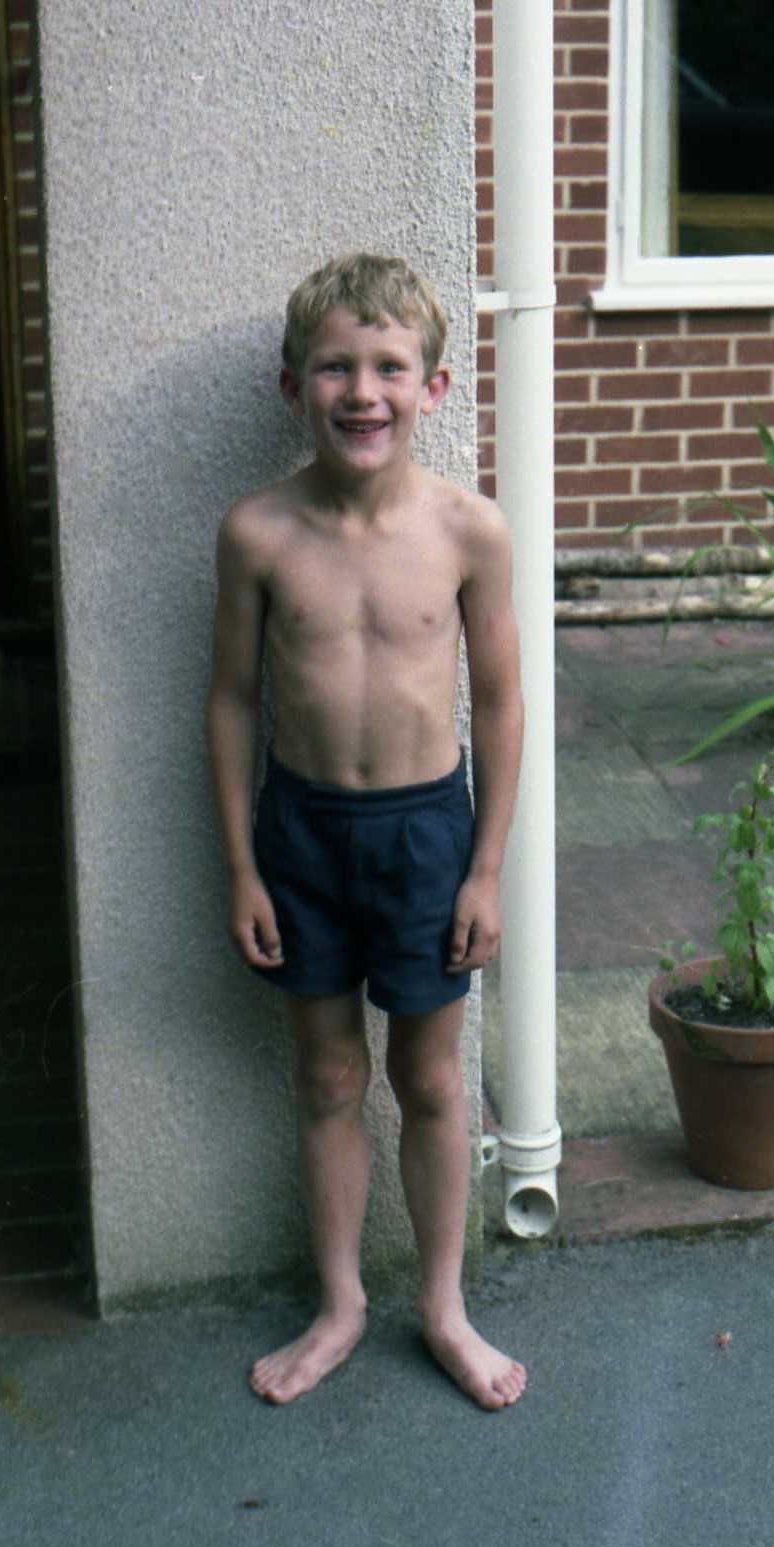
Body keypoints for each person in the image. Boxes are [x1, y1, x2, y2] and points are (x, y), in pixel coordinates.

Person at [205, 252, 526, 1409]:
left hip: (427, 835)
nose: (363, 391)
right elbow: (232, 700)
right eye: (336, 367)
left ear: (433, 388)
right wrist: (242, 866)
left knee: (431, 1080)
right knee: (329, 1072)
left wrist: (486, 870)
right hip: (300, 833)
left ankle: (442, 1308)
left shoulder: (469, 531)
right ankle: (340, 1304)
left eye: (389, 367)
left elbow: (501, 701)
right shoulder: (258, 533)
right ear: (294, 386)